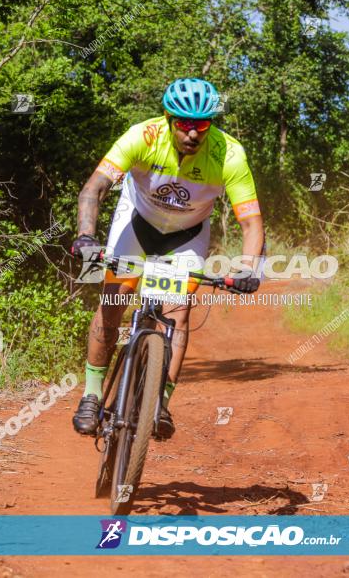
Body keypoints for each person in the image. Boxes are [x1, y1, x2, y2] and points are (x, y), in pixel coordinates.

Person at [70, 78, 264, 439]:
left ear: (211, 125)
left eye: (202, 125)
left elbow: (251, 222)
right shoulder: (141, 136)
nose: (193, 133)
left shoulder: (229, 155)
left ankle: (160, 402)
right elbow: (93, 189)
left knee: (177, 314)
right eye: (184, 124)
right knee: (113, 304)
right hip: (137, 223)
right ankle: (92, 395)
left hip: (185, 235)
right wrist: (85, 236)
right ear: (169, 118)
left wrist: (249, 267)